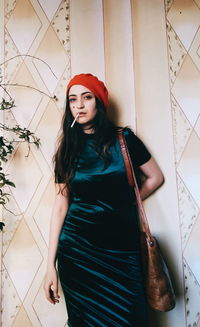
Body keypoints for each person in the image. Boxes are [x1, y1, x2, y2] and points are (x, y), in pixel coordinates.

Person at [43, 73, 164, 326]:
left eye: (87, 97)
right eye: (72, 99)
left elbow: (155, 177)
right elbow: (60, 206)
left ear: (99, 101)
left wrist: (127, 203)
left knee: (131, 319)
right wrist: (49, 266)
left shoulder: (124, 139)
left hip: (122, 250)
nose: (79, 105)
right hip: (77, 253)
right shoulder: (67, 150)